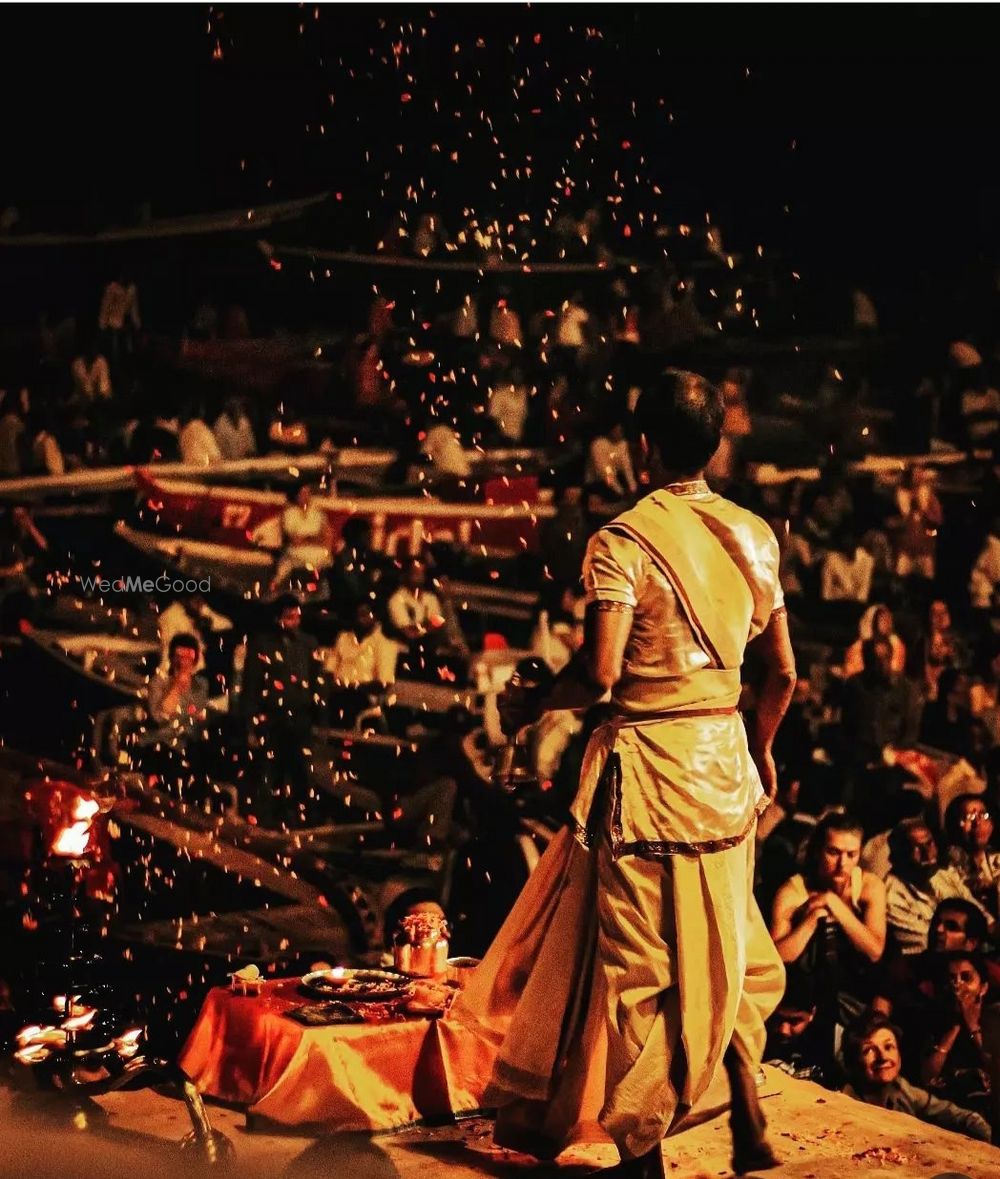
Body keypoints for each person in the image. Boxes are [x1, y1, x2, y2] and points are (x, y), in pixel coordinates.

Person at [454, 369, 795, 1176]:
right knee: (732, 944)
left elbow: (602, 677)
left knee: (640, 968)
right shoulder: (756, 533)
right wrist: (764, 747)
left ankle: (643, 1157)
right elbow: (779, 675)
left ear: (642, 447)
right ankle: (749, 1123)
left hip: (645, 779)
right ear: (715, 445)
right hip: (725, 772)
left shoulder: (621, 540)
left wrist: (539, 698)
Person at [241, 595, 323, 828]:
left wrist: (320, 716)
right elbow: (252, 684)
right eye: (289, 618)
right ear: (278, 619)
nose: (294, 622)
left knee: (300, 771)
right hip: (271, 717)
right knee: (270, 770)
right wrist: (250, 724)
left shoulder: (309, 643)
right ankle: (267, 819)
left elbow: (318, 681)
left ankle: (299, 819)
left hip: (300, 717)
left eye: (297, 617)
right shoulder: (262, 644)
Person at [841, 1012, 990, 1141]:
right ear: (852, 1062)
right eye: (869, 1051)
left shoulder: (900, 1088)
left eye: (888, 1047)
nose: (883, 1057)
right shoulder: (844, 1105)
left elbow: (952, 1113)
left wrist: (982, 1131)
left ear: (899, 1056)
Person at [883, 818, 984, 956]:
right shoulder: (891, 896)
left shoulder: (944, 876)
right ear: (898, 855)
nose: (927, 854)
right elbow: (934, 943)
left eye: (929, 843)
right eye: (916, 848)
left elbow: (985, 921)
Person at [270, 480, 334, 592]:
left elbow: (326, 536)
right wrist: (315, 538)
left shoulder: (318, 514)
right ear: (296, 495)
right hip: (297, 551)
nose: (306, 496)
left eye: (308, 493)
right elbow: (295, 540)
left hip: (319, 551)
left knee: (325, 559)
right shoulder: (289, 514)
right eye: (303, 493)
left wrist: (308, 538)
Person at [842, 605, 906, 679]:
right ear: (873, 621)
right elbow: (852, 670)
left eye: (887, 619)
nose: (886, 623)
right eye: (882, 620)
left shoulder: (896, 644)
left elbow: (897, 670)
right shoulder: (859, 646)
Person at [212, 396, 257, 461]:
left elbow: (251, 447)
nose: (237, 408)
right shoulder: (219, 424)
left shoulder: (244, 421)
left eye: (239, 405)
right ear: (227, 407)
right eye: (233, 406)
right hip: (227, 467)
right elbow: (218, 452)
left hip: (245, 464)